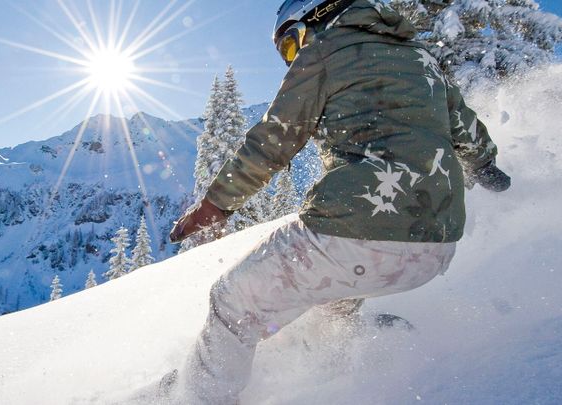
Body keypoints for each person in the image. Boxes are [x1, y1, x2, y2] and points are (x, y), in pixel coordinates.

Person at [158, 0, 511, 403]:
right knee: (332, 299)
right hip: (437, 248)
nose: (293, 57)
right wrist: (486, 169)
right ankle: (338, 365)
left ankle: (199, 397)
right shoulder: (421, 58)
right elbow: (468, 130)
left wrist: (215, 205)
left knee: (230, 301)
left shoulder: (324, 51)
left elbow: (274, 139)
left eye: (290, 44)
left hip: (356, 233)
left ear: (319, 14)